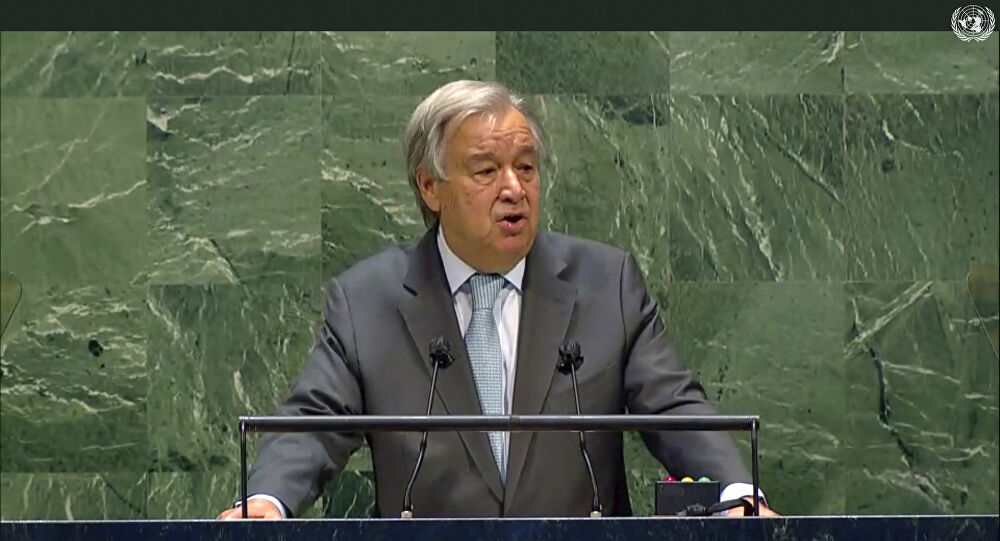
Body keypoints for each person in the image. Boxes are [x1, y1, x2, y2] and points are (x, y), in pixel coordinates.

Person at [218, 80, 778, 519]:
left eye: (526, 167)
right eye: (486, 170)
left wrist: (737, 489)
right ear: (430, 187)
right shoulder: (368, 301)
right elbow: (312, 423)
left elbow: (674, 408)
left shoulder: (607, 284)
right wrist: (267, 501)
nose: (514, 188)